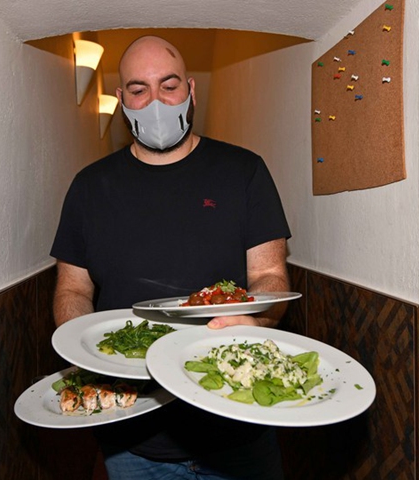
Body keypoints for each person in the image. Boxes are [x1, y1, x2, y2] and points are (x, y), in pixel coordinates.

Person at [50, 35, 291, 480]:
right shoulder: (88, 186)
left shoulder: (245, 171)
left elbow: (271, 275)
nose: (155, 101)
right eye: (139, 89)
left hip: (238, 423)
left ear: (191, 90)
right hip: (133, 440)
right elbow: (73, 288)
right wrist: (81, 350)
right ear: (122, 100)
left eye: (169, 85)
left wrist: (257, 321)